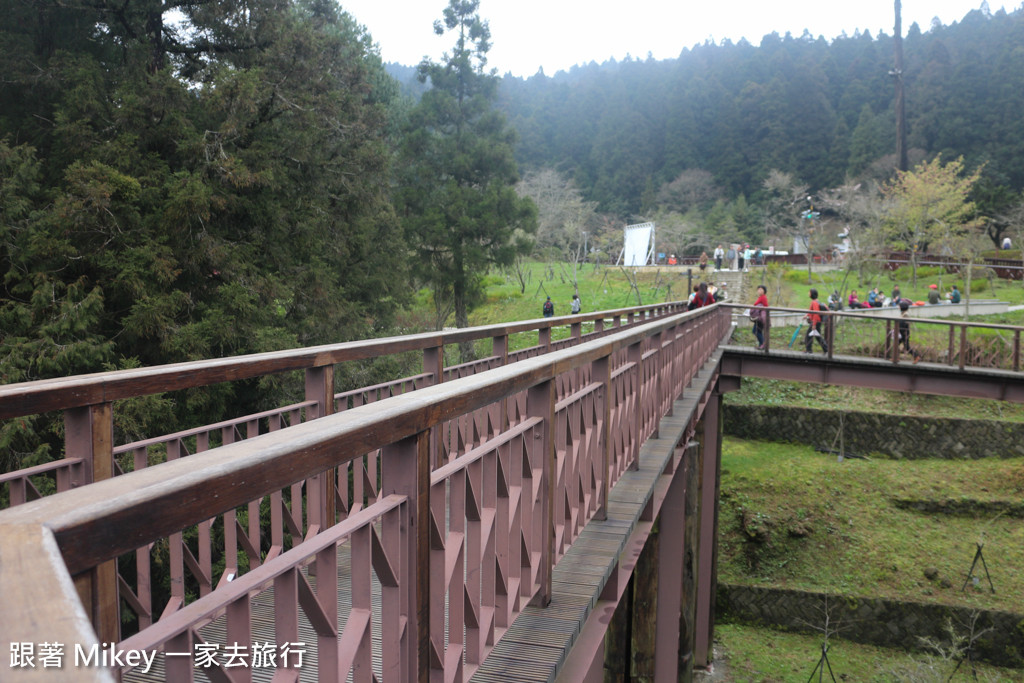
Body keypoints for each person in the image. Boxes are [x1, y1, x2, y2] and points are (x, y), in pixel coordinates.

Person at [897, 299, 921, 363]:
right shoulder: (903, 313)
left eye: (899, 306)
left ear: (902, 307)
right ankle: (896, 357)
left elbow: (904, 323)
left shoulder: (905, 315)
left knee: (907, 347)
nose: (898, 307)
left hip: (904, 332)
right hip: (901, 332)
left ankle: (916, 356)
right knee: (896, 344)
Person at [805, 289, 828, 354]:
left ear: (812, 294)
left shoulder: (814, 302)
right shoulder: (816, 301)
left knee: (808, 336)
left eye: (809, 292)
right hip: (817, 321)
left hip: (816, 321)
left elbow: (815, 313)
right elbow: (811, 311)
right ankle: (826, 349)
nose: (808, 293)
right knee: (817, 336)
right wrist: (807, 315)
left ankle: (809, 350)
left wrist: (814, 324)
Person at [751, 284, 769, 349]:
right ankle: (761, 345)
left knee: (756, 331)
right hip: (759, 317)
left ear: (764, 291)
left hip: (761, 318)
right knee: (757, 331)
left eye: (761, 289)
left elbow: (765, 306)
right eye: (758, 289)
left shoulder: (763, 297)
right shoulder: (761, 297)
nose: (759, 291)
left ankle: (763, 344)